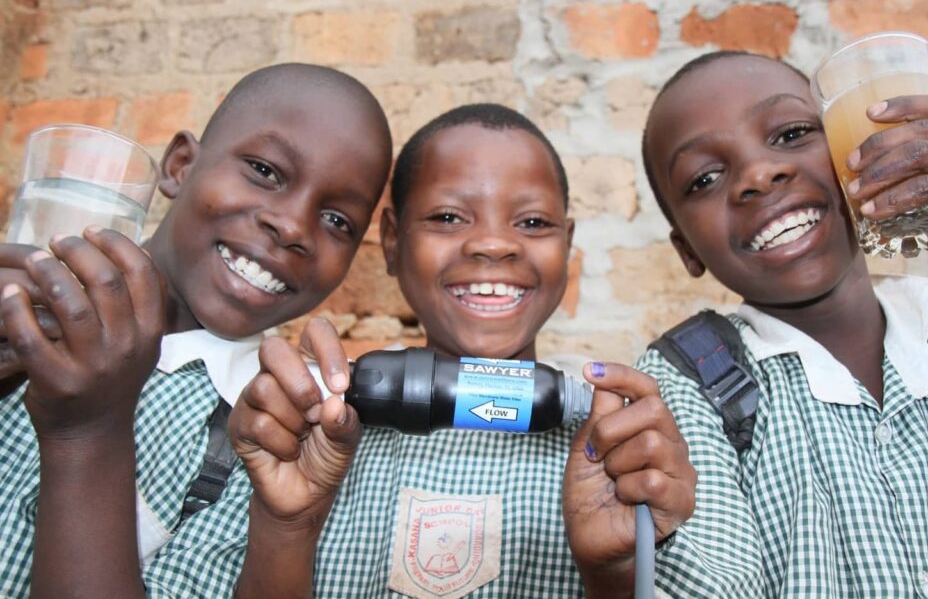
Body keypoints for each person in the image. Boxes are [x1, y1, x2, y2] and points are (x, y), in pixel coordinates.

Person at [142, 103, 701, 598]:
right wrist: (285, 527)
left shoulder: (631, 456)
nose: (492, 244)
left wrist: (613, 578)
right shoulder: (295, 426)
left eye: (532, 222)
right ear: (390, 240)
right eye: (448, 218)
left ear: (568, 245)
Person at [0, 63, 393, 598]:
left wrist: (91, 428)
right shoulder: (25, 308)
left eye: (338, 221)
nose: (294, 226)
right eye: (265, 170)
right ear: (181, 165)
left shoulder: (263, 434)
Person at [638, 50, 928, 595]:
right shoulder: (687, 384)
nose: (758, 174)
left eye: (793, 134)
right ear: (686, 250)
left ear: (850, 150)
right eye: (704, 179)